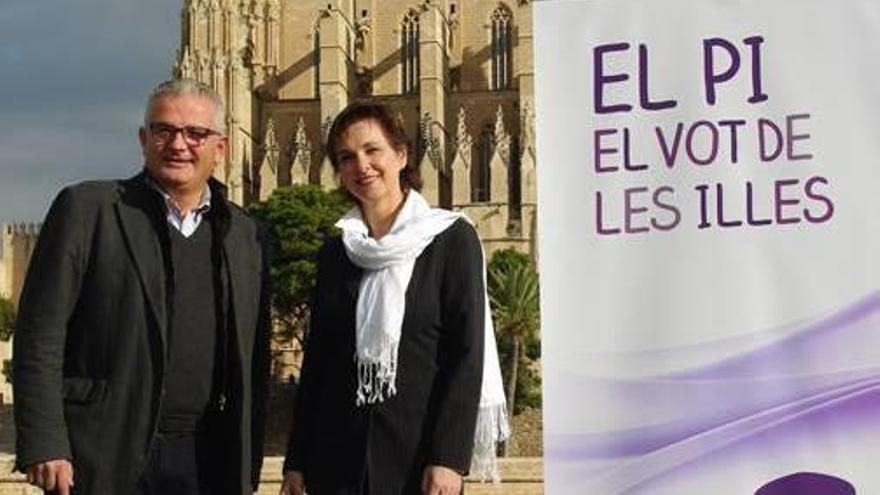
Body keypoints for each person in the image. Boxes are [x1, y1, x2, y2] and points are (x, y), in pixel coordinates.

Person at [13, 79, 271, 495]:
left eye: (195, 133)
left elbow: (253, 357)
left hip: (209, 458)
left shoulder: (247, 234)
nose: (178, 144)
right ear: (143, 139)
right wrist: (45, 442)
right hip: (103, 451)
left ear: (220, 148)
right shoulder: (88, 209)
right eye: (163, 130)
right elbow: (39, 334)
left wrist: (248, 460)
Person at [280, 102, 508, 495]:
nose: (361, 166)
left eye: (373, 151)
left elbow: (466, 354)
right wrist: (296, 461)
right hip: (334, 461)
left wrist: (449, 458)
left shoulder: (450, 238)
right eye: (347, 158)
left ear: (401, 155)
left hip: (418, 462)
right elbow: (318, 361)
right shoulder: (339, 250)